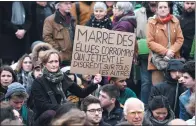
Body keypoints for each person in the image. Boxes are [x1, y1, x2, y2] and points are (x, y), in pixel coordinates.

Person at [31, 49, 102, 121]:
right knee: (51, 113)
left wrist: (94, 83)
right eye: (51, 62)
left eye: (56, 61)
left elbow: (81, 93)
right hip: (46, 119)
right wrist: (66, 109)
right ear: (44, 64)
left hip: (63, 115)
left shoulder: (63, 77)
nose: (54, 65)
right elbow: (42, 106)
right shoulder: (38, 82)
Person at [146, 1, 184, 85]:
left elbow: (180, 39)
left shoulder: (175, 21)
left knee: (174, 88)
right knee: (158, 88)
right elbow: (150, 42)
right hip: (157, 62)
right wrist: (165, 51)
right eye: (160, 7)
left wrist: (172, 50)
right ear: (156, 9)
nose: (163, 9)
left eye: (165, 7)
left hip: (173, 60)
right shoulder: (151, 22)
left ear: (169, 9)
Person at [43, 1, 75, 67]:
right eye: (66, 3)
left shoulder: (74, 19)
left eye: (70, 3)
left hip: (74, 58)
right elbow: (47, 37)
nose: (69, 6)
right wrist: (57, 50)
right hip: (60, 59)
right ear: (58, 5)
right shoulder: (50, 20)